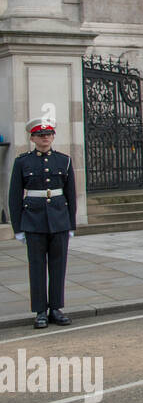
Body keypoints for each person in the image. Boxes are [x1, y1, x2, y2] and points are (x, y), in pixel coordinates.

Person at [9, 116, 76, 328]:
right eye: (40, 135)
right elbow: (14, 196)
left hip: (59, 220)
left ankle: (56, 308)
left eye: (48, 134)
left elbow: (71, 195)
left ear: (53, 137)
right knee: (37, 267)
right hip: (34, 221)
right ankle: (40, 311)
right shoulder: (22, 162)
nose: (44, 138)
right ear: (32, 138)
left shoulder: (64, 160)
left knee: (58, 265)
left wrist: (71, 225)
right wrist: (18, 228)